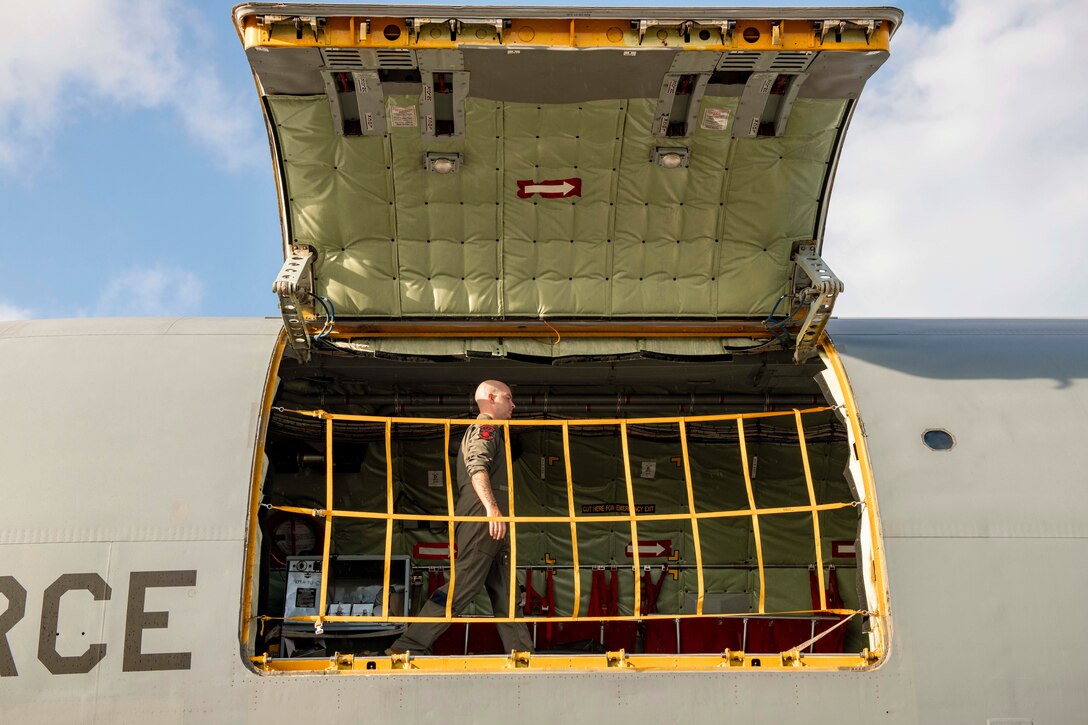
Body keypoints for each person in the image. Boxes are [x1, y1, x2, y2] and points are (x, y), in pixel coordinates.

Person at [387, 380, 534, 655]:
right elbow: (477, 468)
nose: (513, 404)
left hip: (495, 524)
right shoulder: (485, 429)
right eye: (508, 398)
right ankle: (409, 645)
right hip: (484, 521)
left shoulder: (496, 433)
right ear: (491, 398)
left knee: (506, 595)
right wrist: (491, 509)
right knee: (462, 586)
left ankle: (522, 652)